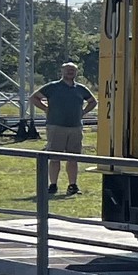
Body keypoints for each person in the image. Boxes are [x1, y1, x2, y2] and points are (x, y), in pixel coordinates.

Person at [32, 62, 96, 196]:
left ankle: (72, 185)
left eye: (72, 70)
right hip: (56, 126)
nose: (70, 72)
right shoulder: (53, 87)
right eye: (67, 70)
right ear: (62, 71)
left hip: (75, 127)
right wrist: (46, 109)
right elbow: (34, 98)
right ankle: (53, 185)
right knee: (55, 157)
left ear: (76, 72)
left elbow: (93, 101)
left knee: (73, 158)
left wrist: (83, 112)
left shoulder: (80, 89)